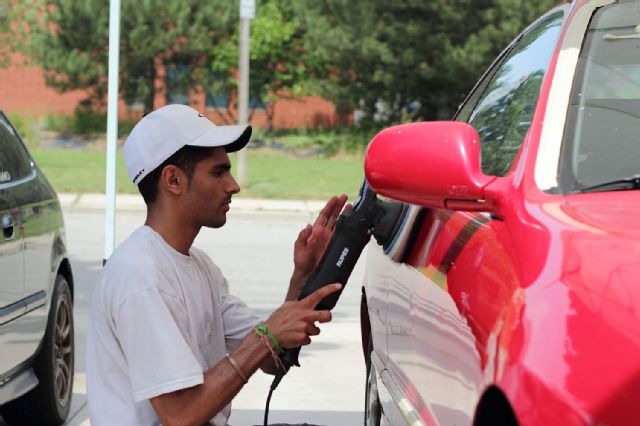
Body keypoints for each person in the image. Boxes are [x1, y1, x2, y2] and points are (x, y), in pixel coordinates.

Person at [86, 104, 348, 426]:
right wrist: (266, 336)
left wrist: (304, 277)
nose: (233, 185)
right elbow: (181, 415)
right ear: (173, 180)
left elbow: (271, 359)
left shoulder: (199, 267)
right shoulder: (140, 276)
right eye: (218, 171)